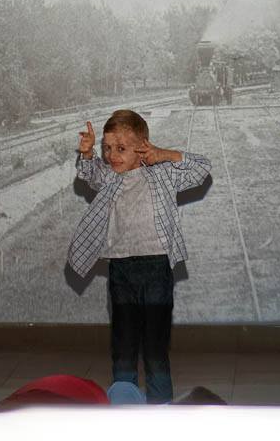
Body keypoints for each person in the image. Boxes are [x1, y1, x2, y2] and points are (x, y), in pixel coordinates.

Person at [68, 110, 212, 404]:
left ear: (142, 146)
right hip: (121, 269)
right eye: (107, 148)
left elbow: (201, 169)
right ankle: (125, 409)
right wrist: (86, 154)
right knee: (124, 345)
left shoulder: (161, 174)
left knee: (155, 348)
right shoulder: (109, 176)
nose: (112, 156)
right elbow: (89, 173)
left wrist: (164, 154)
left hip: (156, 267)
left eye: (121, 148)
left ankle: (161, 412)